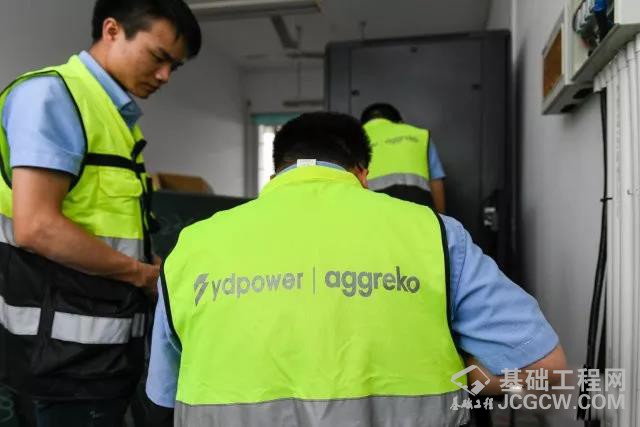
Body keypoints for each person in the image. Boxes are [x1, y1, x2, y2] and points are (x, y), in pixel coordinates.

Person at [146, 112, 566, 426]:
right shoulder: (435, 234)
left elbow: (162, 398)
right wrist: (458, 378)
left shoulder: (191, 247)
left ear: (276, 174)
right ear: (363, 173)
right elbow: (547, 375)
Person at [0, 0, 201, 425]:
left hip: (101, 356)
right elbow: (36, 227)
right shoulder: (52, 97)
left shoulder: (114, 118)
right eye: (158, 57)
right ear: (112, 30)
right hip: (59, 362)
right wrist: (141, 274)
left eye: (174, 67)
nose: (164, 76)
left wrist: (152, 265)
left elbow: (101, 224)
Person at [361, 102, 447, 213]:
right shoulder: (419, 135)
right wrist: (441, 219)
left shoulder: (354, 140)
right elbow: (436, 183)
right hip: (418, 213)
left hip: (372, 213)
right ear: (400, 122)